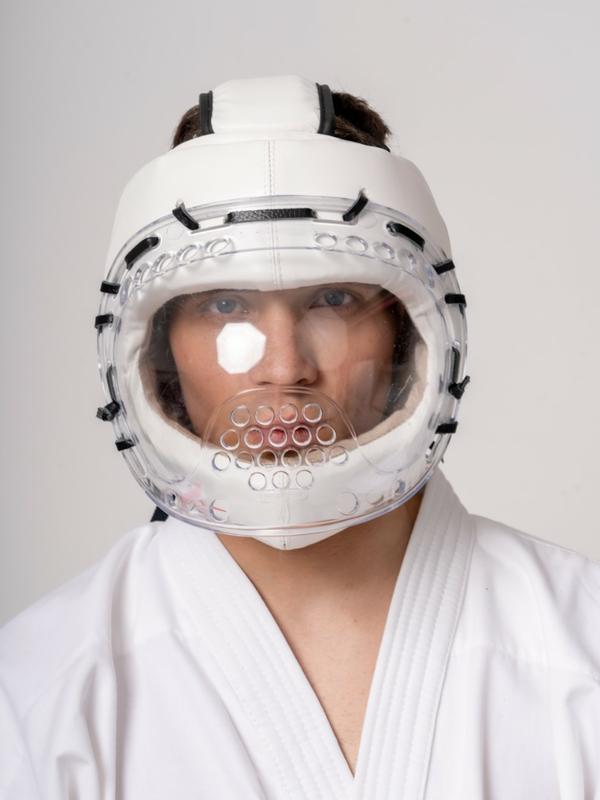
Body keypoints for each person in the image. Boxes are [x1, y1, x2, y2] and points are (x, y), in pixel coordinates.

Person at [1, 75, 598, 799]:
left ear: (409, 332)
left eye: (334, 299)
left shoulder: (582, 647)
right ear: (156, 343)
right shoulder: (39, 694)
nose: (283, 369)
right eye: (224, 303)